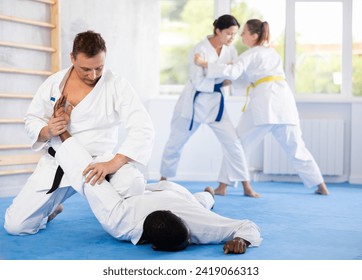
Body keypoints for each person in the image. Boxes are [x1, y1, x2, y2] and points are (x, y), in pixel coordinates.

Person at [44, 99, 262, 253]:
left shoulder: (120, 221)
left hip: (172, 196)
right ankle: (207, 195)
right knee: (197, 202)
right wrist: (241, 238)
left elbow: (88, 174)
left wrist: (62, 130)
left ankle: (207, 196)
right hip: (170, 194)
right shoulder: (198, 224)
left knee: (194, 202)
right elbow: (246, 225)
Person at [4, 30, 155, 235]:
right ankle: (52, 209)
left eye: (99, 68)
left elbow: (142, 127)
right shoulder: (53, 83)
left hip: (98, 163)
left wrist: (113, 163)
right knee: (16, 226)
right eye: (85, 69)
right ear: (72, 58)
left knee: (133, 183)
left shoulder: (117, 85)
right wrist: (48, 130)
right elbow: (32, 118)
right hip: (60, 161)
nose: (93, 76)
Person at [194, 19, 329, 195]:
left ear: (254, 36)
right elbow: (242, 75)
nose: (241, 36)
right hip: (283, 103)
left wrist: (205, 64)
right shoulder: (272, 53)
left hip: (264, 105)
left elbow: (234, 72)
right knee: (297, 147)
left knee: (237, 144)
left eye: (244, 33)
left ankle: (222, 186)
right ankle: (321, 185)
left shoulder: (251, 54)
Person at [160, 14, 260, 198]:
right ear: (218, 31)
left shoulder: (230, 51)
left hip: (216, 104)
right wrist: (222, 71)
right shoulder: (200, 49)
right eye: (229, 33)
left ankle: (246, 185)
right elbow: (200, 81)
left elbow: (233, 77)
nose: (232, 38)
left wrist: (210, 68)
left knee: (233, 143)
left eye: (235, 34)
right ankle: (163, 180)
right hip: (193, 103)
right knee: (175, 142)